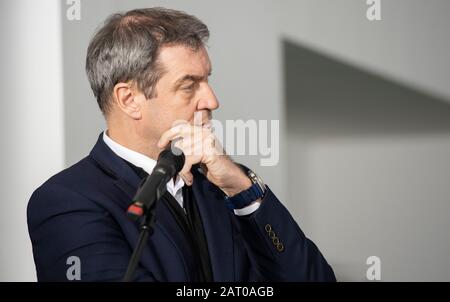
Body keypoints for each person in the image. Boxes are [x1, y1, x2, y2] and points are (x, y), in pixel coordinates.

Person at [27, 7, 336, 282]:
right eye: (189, 86)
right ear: (129, 99)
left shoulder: (223, 186)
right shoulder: (67, 202)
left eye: (207, 80)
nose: (212, 100)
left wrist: (242, 188)